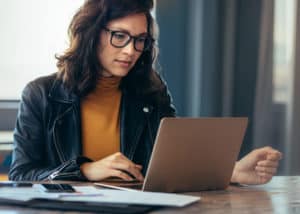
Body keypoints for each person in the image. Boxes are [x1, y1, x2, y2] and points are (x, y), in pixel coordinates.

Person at [9, 0, 282, 185]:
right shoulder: (41, 94)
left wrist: (232, 171)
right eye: (119, 36)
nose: (130, 50)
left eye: (140, 40)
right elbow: (21, 176)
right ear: (91, 34)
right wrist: (84, 170)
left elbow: (174, 163)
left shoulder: (150, 91)